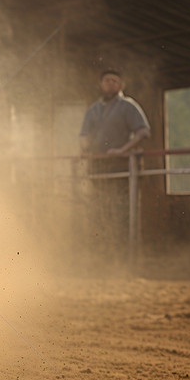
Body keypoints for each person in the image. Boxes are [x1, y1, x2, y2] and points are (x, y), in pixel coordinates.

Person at [78, 69, 151, 262]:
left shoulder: (128, 106)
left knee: (123, 210)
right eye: (106, 81)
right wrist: (86, 150)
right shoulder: (93, 109)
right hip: (99, 167)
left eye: (114, 81)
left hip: (122, 167)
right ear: (100, 84)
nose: (110, 84)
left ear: (121, 85)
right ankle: (101, 254)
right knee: (99, 209)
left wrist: (123, 150)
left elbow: (143, 131)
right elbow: (84, 134)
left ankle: (127, 255)